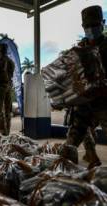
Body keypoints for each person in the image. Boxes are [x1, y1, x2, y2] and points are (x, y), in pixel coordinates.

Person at [63, 5, 107, 168]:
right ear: (82, 27)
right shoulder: (78, 49)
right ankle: (66, 174)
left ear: (102, 23)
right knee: (70, 145)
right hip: (84, 104)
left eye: (94, 25)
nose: (91, 29)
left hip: (104, 102)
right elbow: (71, 77)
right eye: (87, 26)